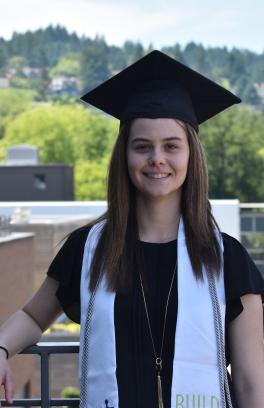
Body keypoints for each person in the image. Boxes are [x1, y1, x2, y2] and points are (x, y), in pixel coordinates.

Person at [0, 50, 264, 408]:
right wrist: (1, 349)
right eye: (142, 147)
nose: (157, 158)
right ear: (124, 156)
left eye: (171, 146)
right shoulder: (89, 249)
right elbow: (33, 315)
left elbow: (250, 382)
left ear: (191, 156)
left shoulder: (225, 257)